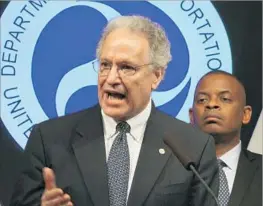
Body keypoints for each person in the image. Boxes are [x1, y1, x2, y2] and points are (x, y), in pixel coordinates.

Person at [10, 15, 219, 206]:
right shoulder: (49, 140)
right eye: (105, 65)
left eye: (126, 67)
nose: (111, 79)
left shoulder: (193, 147)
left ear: (157, 75)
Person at [189, 71, 262, 206]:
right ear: (191, 116)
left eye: (225, 99)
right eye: (202, 100)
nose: (211, 104)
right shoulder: (171, 170)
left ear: (245, 114)